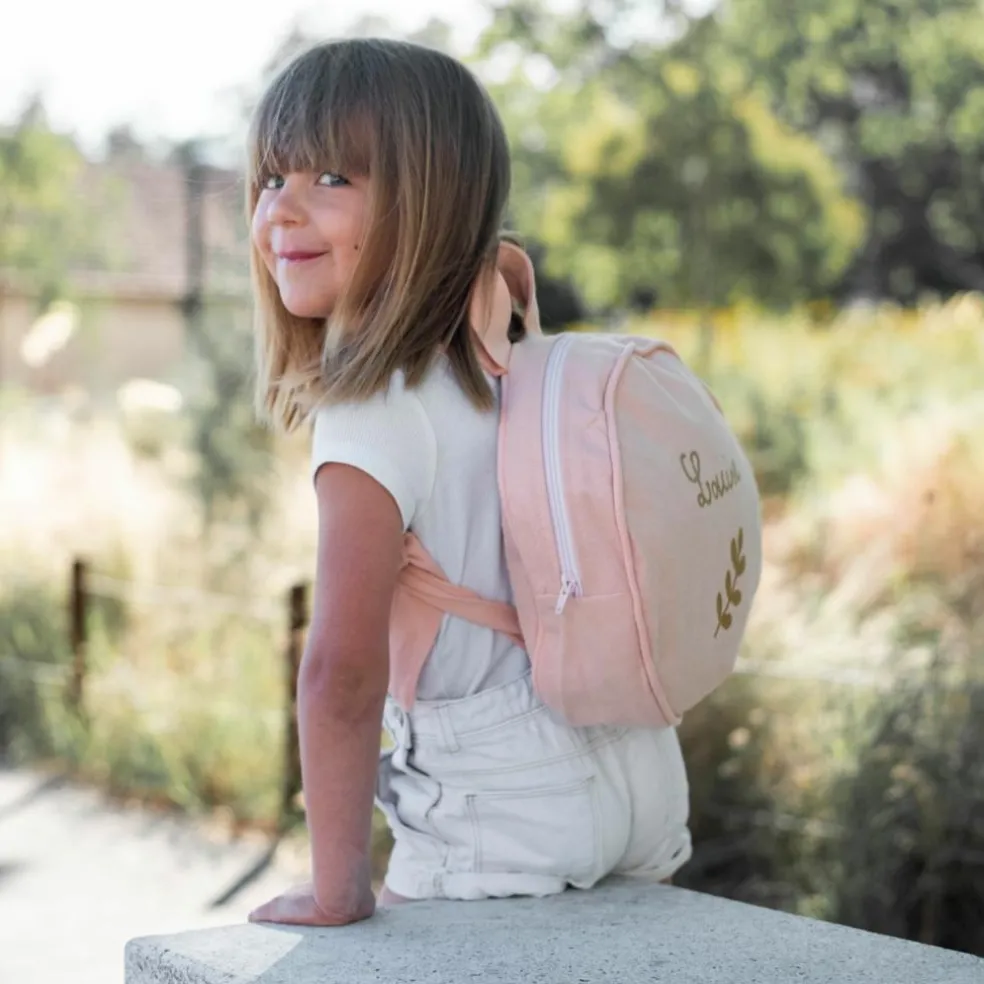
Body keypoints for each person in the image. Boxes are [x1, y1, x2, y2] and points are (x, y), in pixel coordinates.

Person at [245, 37, 692, 928]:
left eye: (332, 177)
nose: (281, 212)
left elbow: (340, 669)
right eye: (270, 178)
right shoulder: (509, 338)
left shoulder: (373, 404)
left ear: (428, 201)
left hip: (497, 795)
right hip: (639, 758)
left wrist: (338, 889)